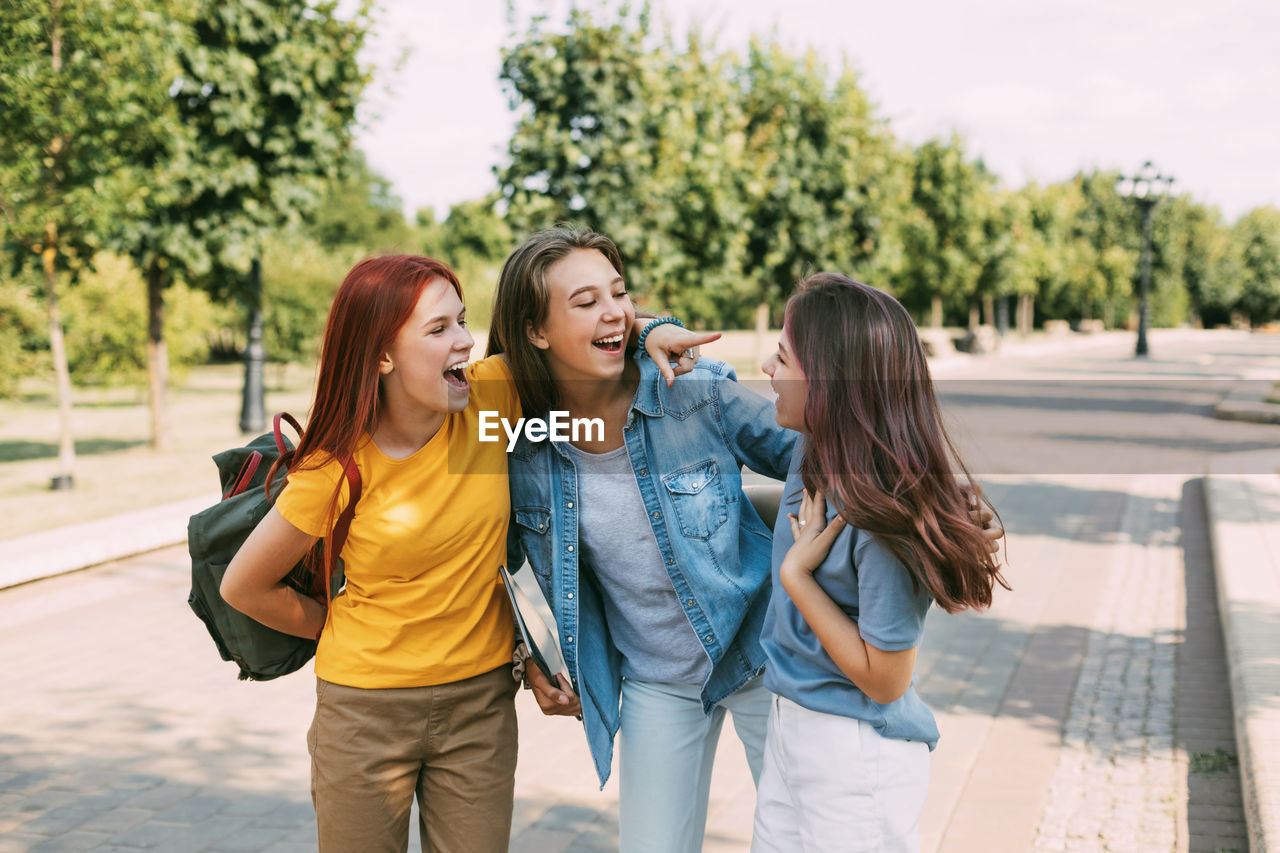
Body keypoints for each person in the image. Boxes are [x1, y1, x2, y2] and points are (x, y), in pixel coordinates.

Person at [219, 253, 700, 853]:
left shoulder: (489, 403)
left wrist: (652, 327)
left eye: (463, 322)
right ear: (382, 356)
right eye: (439, 329)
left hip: (480, 707)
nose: (466, 342)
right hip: (364, 715)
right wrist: (341, 628)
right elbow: (244, 587)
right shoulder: (337, 468)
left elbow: (583, 329)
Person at [488, 226, 798, 853]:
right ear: (534, 331)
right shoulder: (518, 435)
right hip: (656, 676)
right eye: (584, 301)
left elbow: (815, 455)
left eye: (620, 293)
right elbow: (508, 561)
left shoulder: (692, 391)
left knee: (804, 838)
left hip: (763, 655)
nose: (614, 311)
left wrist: (934, 503)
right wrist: (531, 661)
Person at [752, 273, 1010, 853]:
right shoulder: (812, 451)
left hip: (853, 755)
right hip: (791, 728)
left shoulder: (880, 516)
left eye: (782, 356)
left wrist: (798, 578)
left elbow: (887, 681)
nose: (768, 368)